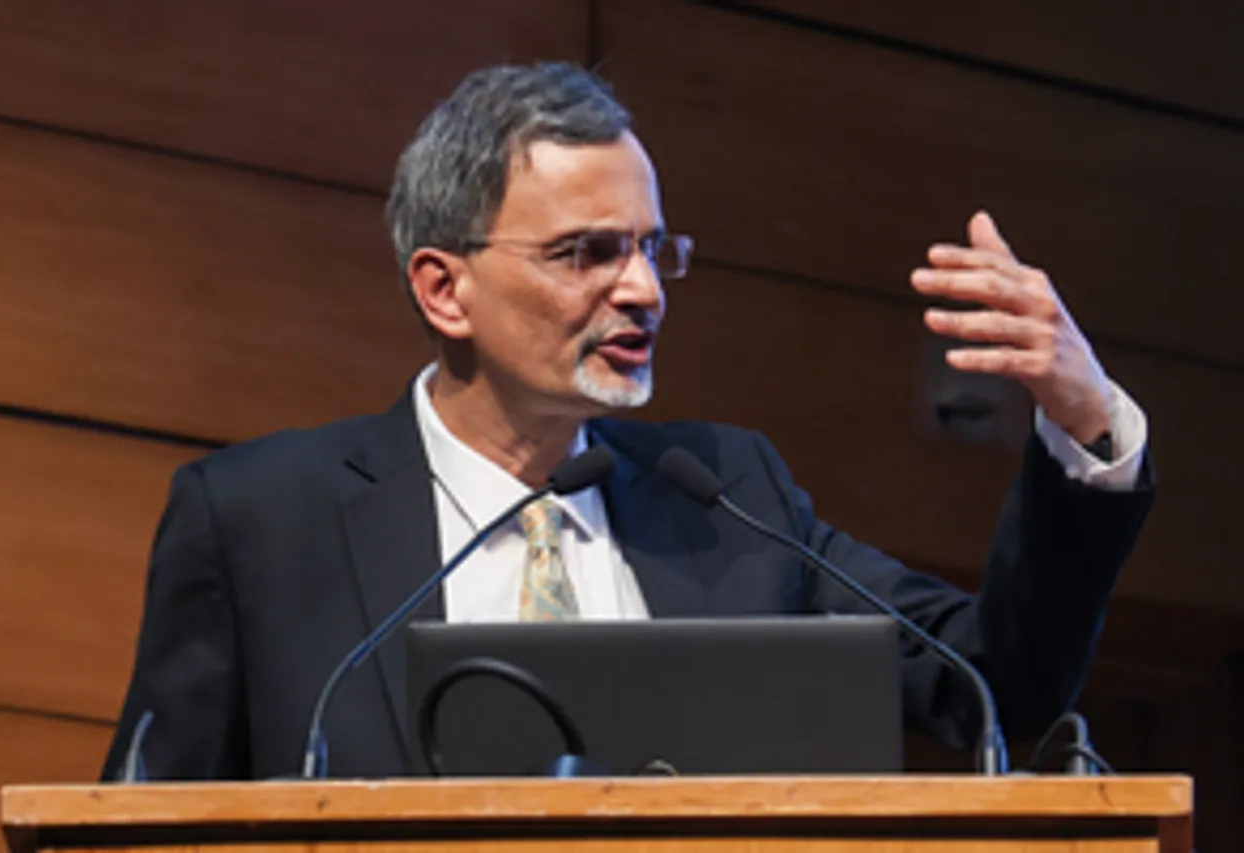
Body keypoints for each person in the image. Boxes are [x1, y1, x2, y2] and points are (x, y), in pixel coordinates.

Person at [101, 62, 1154, 781]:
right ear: (442, 289)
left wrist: (1082, 424)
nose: (642, 290)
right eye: (585, 253)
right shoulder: (257, 521)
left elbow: (993, 686)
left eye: (654, 249)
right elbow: (138, 820)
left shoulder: (729, 495)